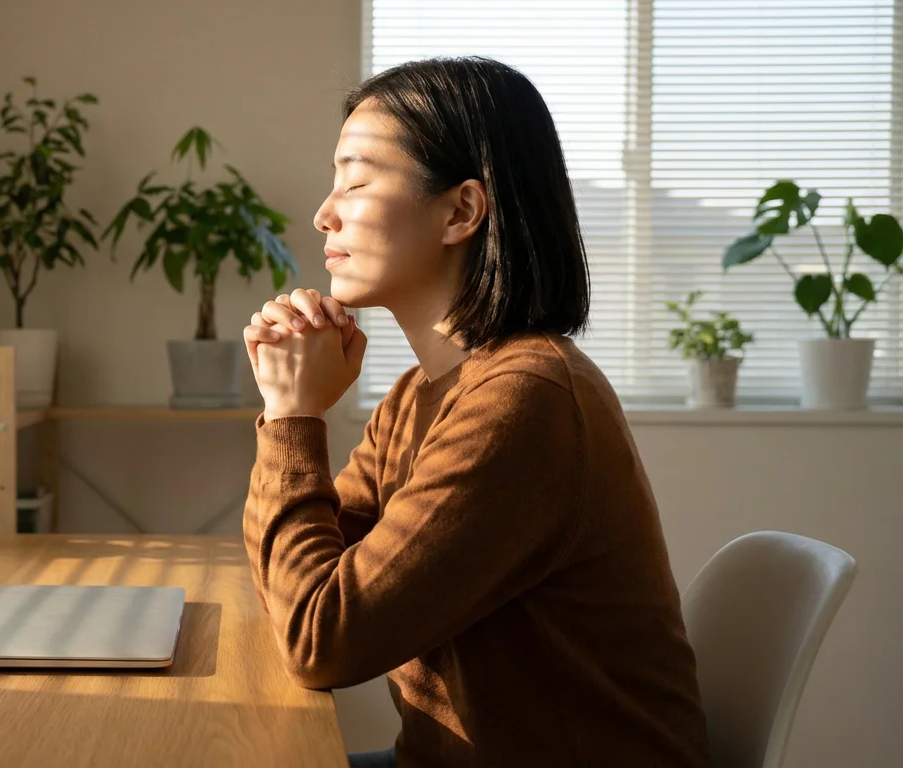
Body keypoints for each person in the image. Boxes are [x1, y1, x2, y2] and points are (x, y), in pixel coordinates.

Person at [240, 57, 709, 767]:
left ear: (461, 210)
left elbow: (319, 639)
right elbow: (300, 587)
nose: (323, 213)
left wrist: (292, 416)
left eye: (356, 180)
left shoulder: (527, 398)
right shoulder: (417, 398)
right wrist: (288, 418)